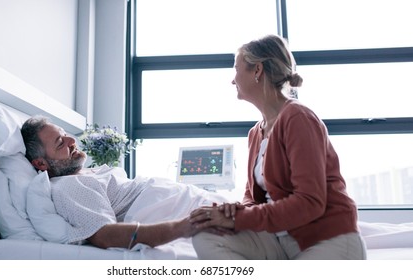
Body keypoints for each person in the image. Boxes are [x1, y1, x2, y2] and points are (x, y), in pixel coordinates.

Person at [189, 34, 367, 260]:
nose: (232, 80)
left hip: (325, 239)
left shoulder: (298, 118)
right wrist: (235, 211)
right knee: (207, 235)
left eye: (236, 69)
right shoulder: (256, 133)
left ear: (257, 71)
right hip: (281, 239)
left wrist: (238, 219)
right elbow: (253, 199)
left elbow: (310, 202)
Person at [21, 116, 224, 250]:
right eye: (60, 143)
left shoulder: (84, 173)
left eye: (65, 135)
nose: (71, 141)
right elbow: (105, 235)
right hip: (176, 209)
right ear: (41, 163)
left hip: (183, 198)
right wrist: (183, 227)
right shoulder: (68, 186)